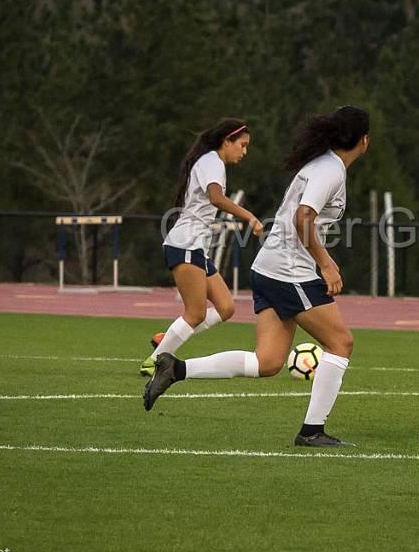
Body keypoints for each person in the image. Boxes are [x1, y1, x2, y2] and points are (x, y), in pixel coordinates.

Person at [144, 105, 369, 448]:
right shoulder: (330, 170)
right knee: (341, 343)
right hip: (288, 270)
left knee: (267, 363)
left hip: (270, 267)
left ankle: (176, 369)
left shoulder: (321, 165)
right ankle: (312, 432)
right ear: (363, 141)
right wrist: (326, 263)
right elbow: (303, 217)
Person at [140, 119, 264, 377]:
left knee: (226, 307)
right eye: (242, 145)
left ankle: (169, 338)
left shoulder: (212, 162)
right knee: (195, 313)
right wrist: (249, 216)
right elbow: (216, 198)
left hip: (195, 248)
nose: (244, 151)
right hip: (184, 245)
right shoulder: (212, 161)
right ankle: (154, 361)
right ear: (226, 142)